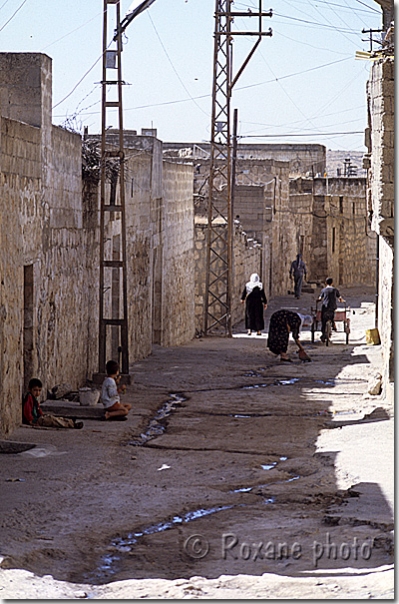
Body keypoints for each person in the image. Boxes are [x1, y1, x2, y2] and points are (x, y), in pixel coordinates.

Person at [317, 277, 345, 342]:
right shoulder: (335, 290)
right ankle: (333, 324)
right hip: (332, 306)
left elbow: (320, 298)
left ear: (326, 283)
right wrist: (342, 301)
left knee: (323, 319)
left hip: (325, 307)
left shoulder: (323, 290)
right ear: (332, 283)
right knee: (331, 315)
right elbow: (340, 298)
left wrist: (318, 300)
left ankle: (323, 333)